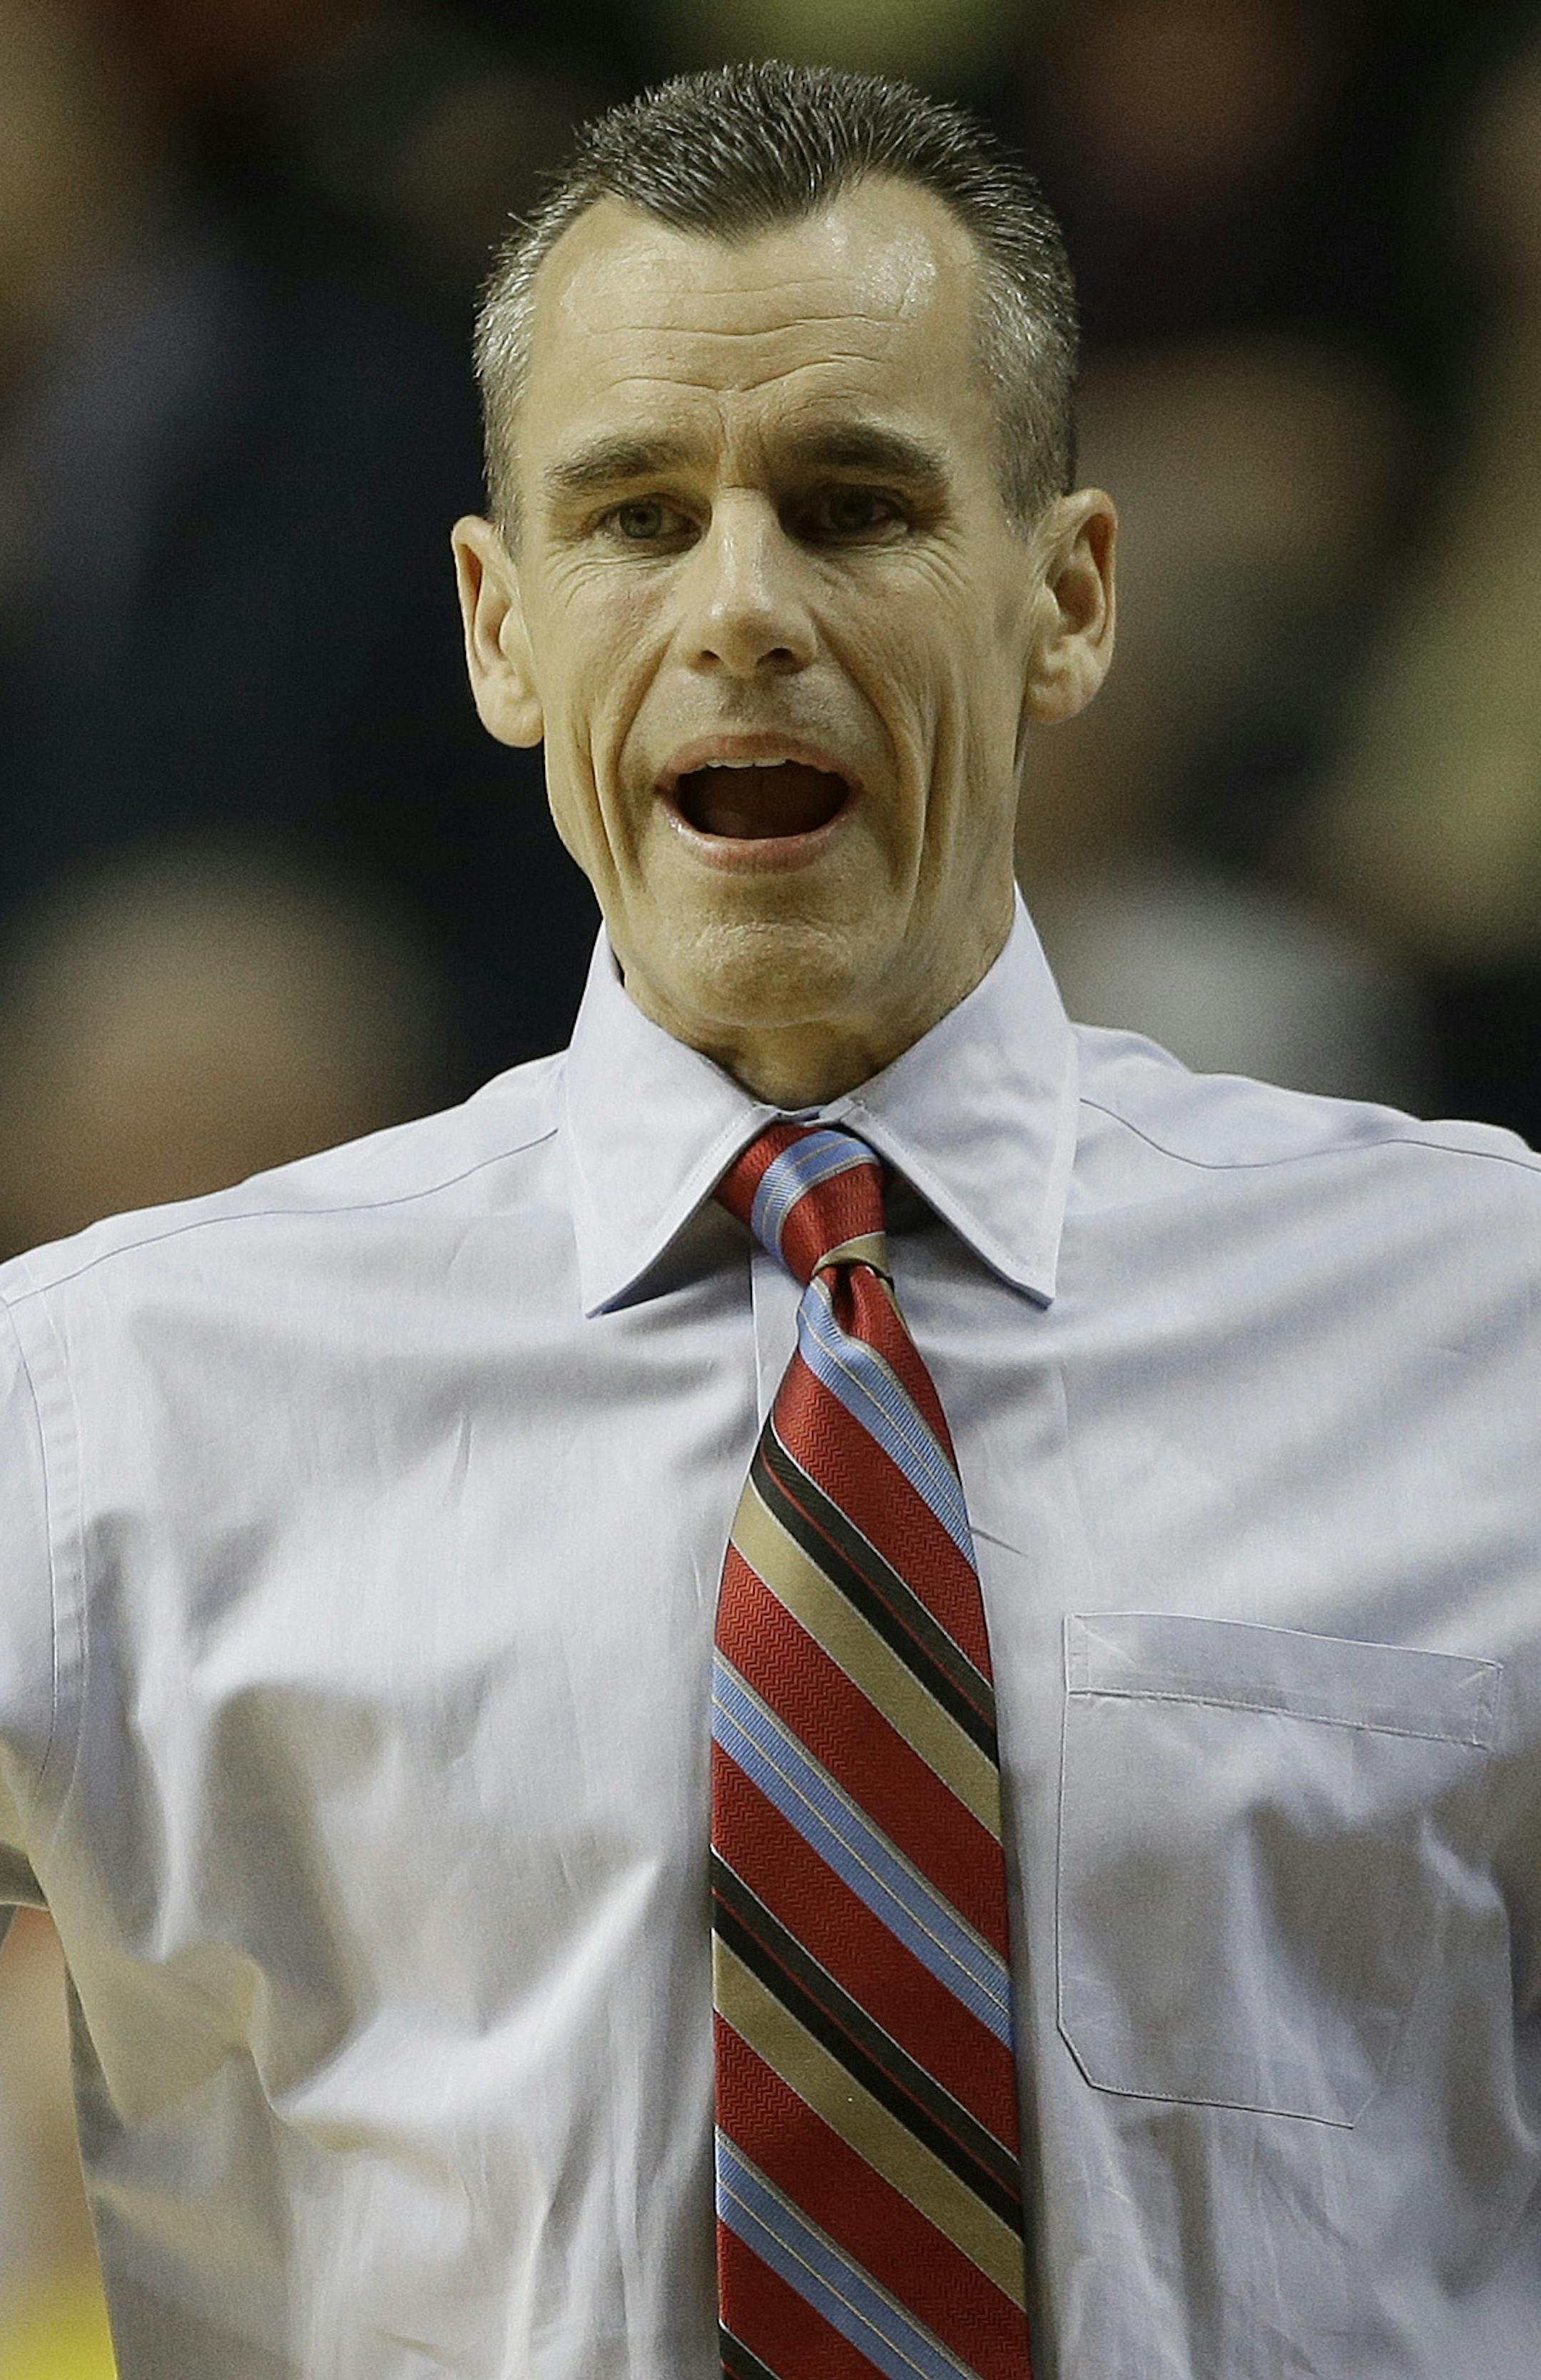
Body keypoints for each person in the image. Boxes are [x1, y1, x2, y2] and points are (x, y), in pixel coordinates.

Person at [1, 56, 1538, 2380]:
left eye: (853, 505)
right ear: (500, 629)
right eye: (634, 517)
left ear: (1071, 595)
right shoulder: (111, 1399)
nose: (742, 609)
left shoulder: (1490, 1321)